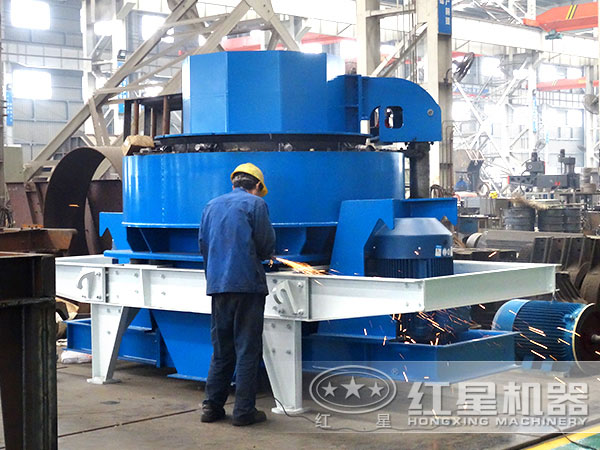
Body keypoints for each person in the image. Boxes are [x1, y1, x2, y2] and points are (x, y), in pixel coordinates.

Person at [199, 163, 276, 426]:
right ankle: (243, 412)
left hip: (218, 284)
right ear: (257, 186)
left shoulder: (211, 206)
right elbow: (265, 245)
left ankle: (211, 407)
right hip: (247, 285)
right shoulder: (256, 204)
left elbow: (203, 245)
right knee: (247, 348)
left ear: (233, 183)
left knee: (222, 348)